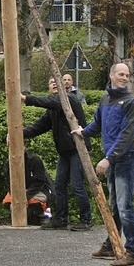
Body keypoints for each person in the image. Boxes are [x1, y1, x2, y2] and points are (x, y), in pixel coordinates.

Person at [74, 62, 134, 266]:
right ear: (111, 75)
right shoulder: (106, 99)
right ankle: (112, 244)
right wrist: (83, 132)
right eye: (121, 74)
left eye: (127, 75)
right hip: (113, 158)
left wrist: (109, 158)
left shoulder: (132, 103)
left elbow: (127, 136)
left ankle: (133, 251)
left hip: (126, 158)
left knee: (124, 206)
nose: (124, 78)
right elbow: (98, 123)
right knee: (115, 205)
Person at [22, 76, 92, 231]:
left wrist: (27, 99)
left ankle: (86, 219)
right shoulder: (52, 110)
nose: (54, 84)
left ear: (64, 86)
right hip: (65, 152)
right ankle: (61, 219)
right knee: (59, 185)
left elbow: (52, 101)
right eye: (51, 83)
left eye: (56, 82)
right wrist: (18, 133)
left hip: (77, 149)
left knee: (77, 185)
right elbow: (39, 126)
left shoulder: (70, 100)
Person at [3, 148, 54, 225]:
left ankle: (43, 215)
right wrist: (16, 196)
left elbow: (39, 182)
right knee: (7, 201)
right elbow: (8, 183)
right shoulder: (9, 162)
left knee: (35, 203)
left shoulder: (35, 160)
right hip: (18, 191)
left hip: (38, 190)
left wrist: (25, 196)